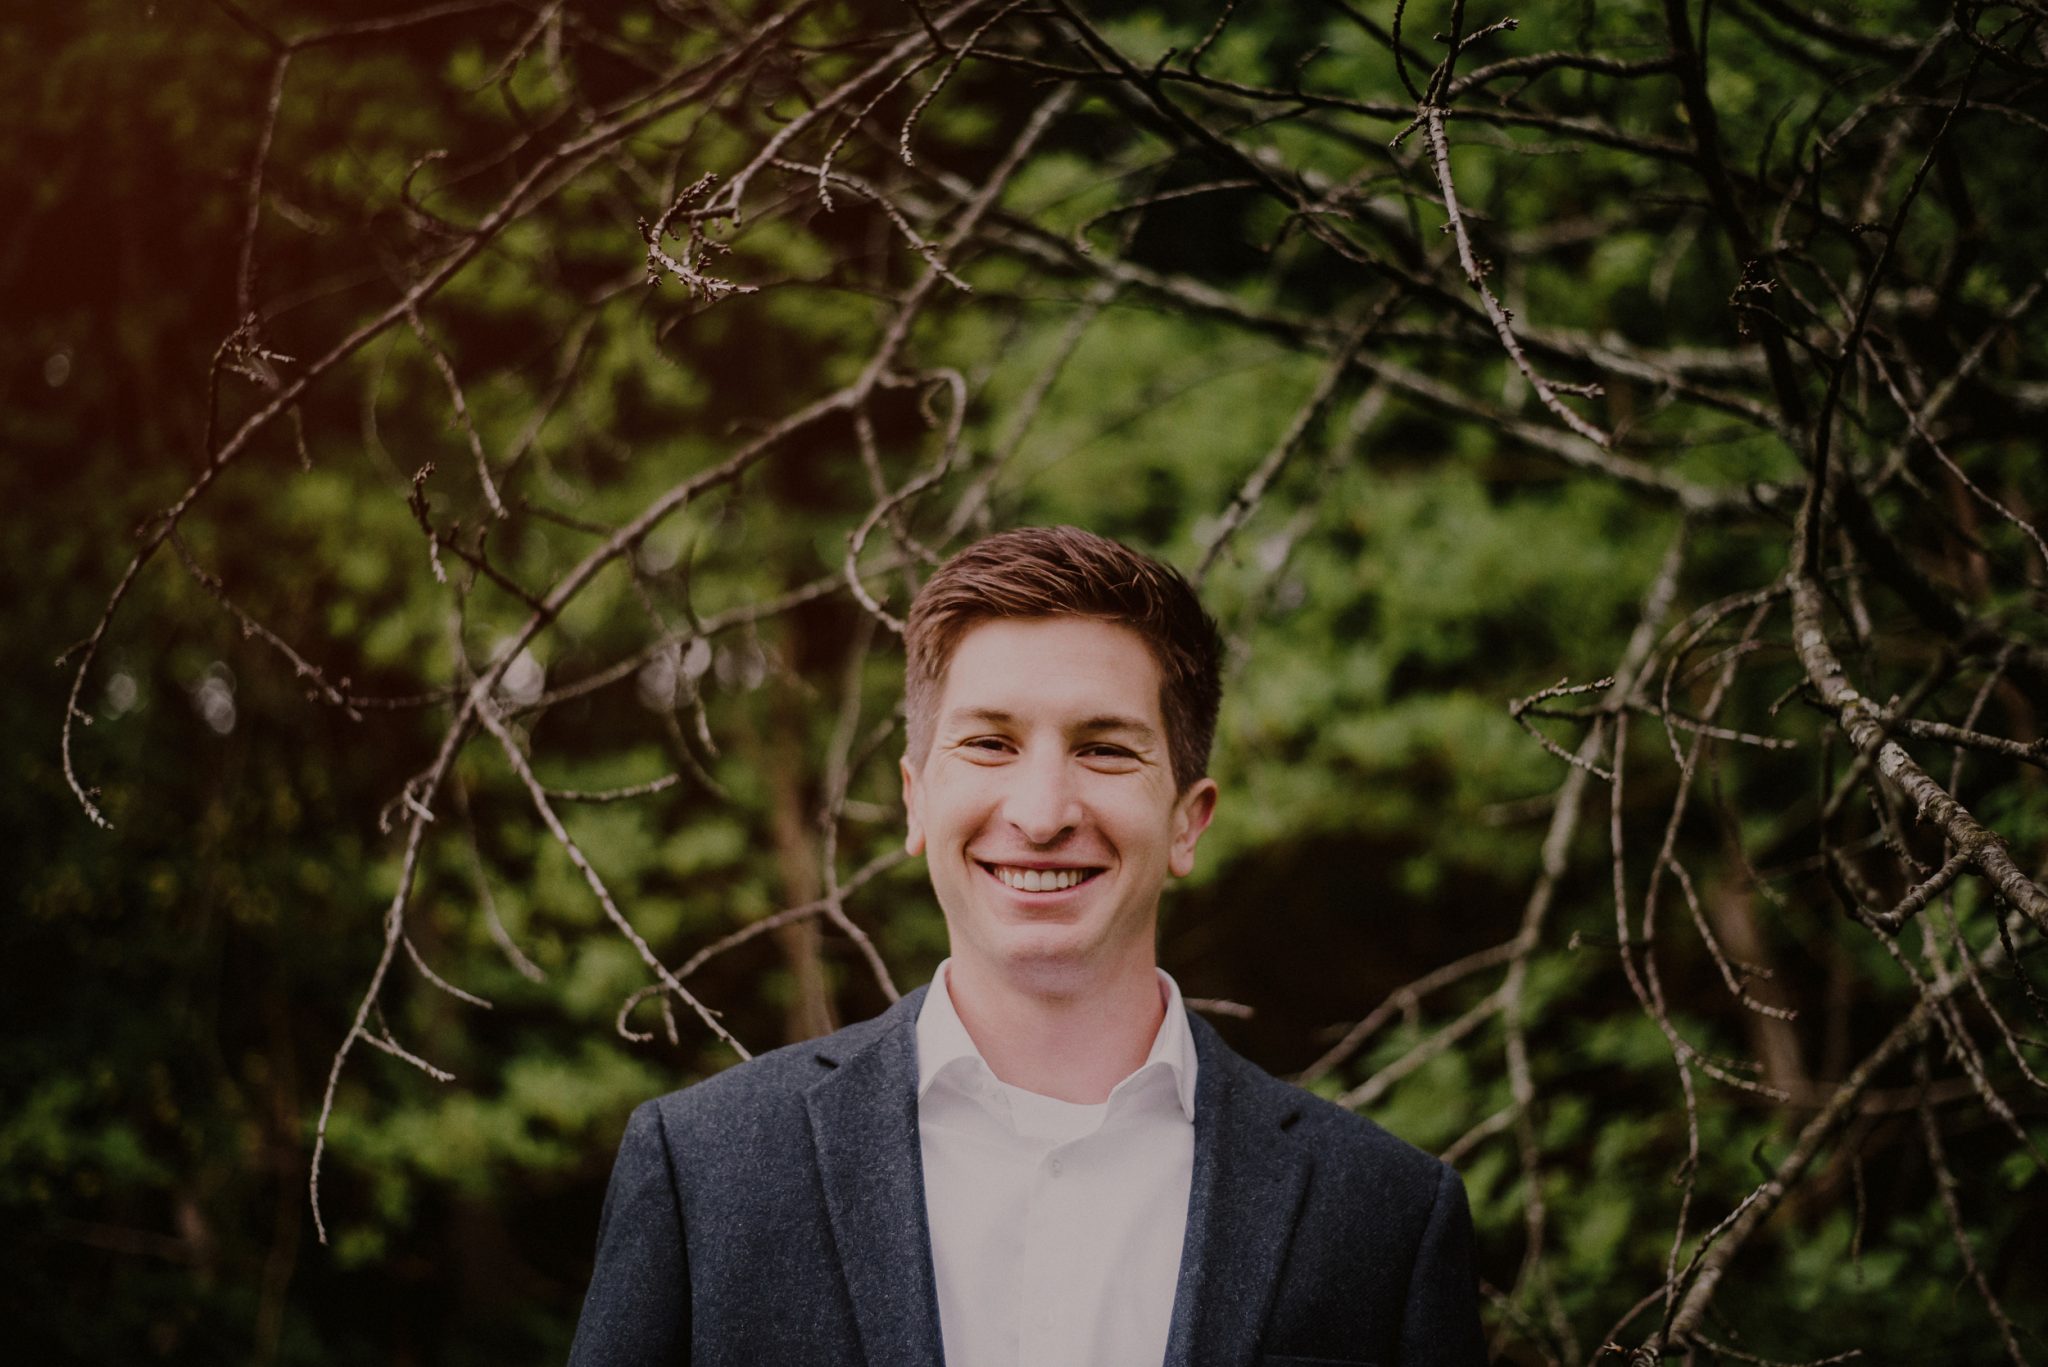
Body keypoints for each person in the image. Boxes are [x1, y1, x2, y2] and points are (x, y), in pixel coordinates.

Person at [568, 526, 1487, 1367]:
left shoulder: (1385, 1218)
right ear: (916, 800)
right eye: (990, 742)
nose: (1043, 813)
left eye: (1105, 749)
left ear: (1187, 821)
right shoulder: (705, 1171)